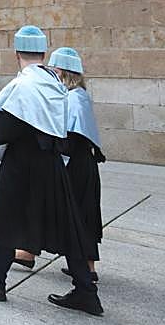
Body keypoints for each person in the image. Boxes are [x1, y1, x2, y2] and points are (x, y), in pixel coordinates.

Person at [0, 26, 102, 316]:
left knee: (6, 220)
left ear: (16, 53)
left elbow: (3, 133)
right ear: (43, 53)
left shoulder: (22, 86)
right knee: (67, 227)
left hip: (21, 164)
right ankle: (87, 292)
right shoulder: (55, 84)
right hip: (51, 164)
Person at [14, 48, 106, 280]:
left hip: (73, 165)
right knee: (77, 214)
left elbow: (67, 137)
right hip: (82, 165)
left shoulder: (73, 99)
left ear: (62, 73)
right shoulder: (79, 96)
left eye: (53, 71)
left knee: (70, 213)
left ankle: (84, 268)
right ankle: (30, 252)